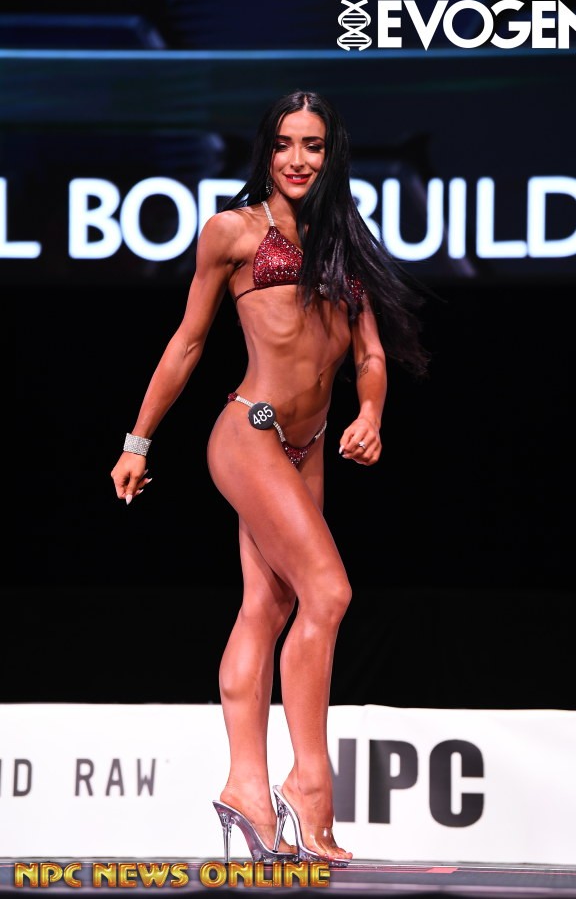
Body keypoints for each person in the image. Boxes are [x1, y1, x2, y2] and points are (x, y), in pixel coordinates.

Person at [110, 90, 430, 866]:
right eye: (285, 143)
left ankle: (245, 788)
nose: (297, 159)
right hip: (248, 430)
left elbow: (370, 354)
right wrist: (137, 441)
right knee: (328, 593)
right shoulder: (233, 231)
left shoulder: (344, 240)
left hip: (308, 445)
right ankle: (310, 784)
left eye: (313, 145)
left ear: (332, 153)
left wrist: (372, 414)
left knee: (268, 604)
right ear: (267, 150)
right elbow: (188, 343)